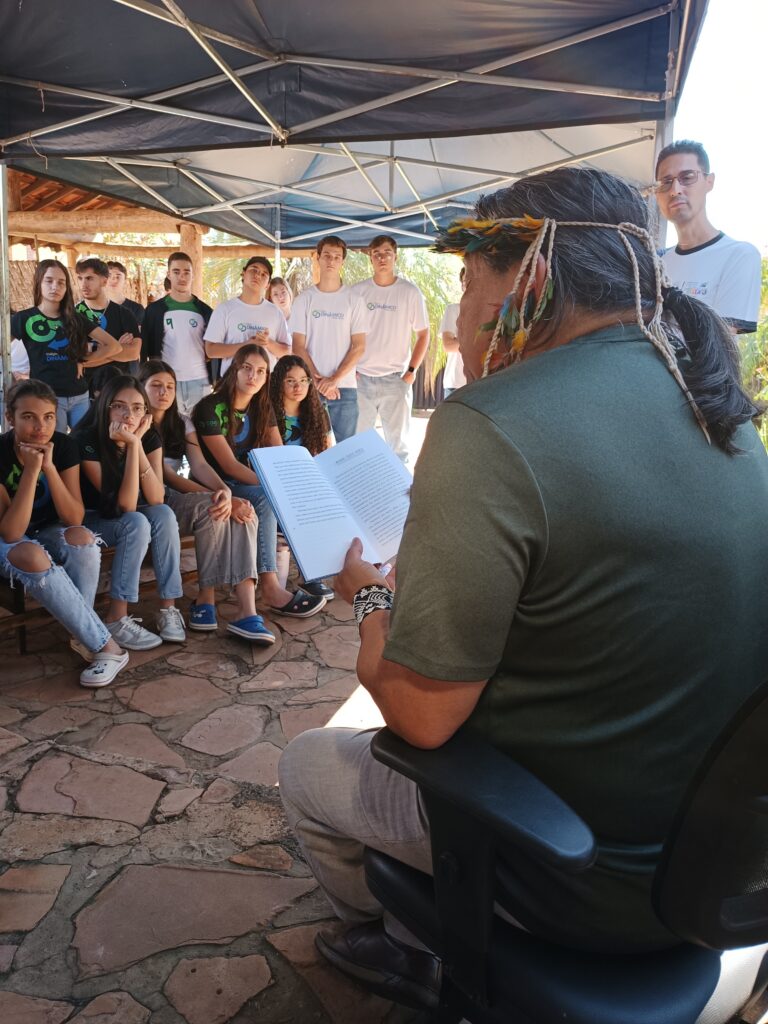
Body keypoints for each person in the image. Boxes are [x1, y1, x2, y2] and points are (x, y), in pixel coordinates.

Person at [278, 166, 768, 1010]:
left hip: (576, 874)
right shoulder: (720, 407)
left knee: (307, 764)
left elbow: (423, 717)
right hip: (721, 868)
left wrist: (365, 597)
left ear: (527, 279)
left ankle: (410, 946)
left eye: (468, 280)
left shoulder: (491, 421)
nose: (460, 309)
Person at [0, 380, 129, 687]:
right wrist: (31, 471)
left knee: (82, 537)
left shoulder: (64, 445)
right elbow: (11, 532)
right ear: (10, 417)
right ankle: (106, 646)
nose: (40, 426)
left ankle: (82, 635)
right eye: (28, 417)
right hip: (10, 538)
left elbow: (74, 516)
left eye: (48, 416)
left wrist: (49, 468)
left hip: (47, 529)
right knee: (30, 553)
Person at [138, 360, 269, 642]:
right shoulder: (138, 422)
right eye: (156, 386)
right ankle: (205, 598)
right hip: (150, 498)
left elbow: (198, 465)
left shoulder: (181, 421)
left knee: (244, 511)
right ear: (141, 388)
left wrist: (225, 491)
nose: (164, 392)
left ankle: (247, 610)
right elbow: (167, 477)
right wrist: (216, 497)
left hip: (175, 497)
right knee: (214, 509)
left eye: (170, 387)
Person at [192, 344, 326, 621]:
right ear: (235, 370)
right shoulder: (210, 407)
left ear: (267, 377)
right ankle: (270, 587)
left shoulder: (262, 407)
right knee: (267, 497)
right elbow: (228, 466)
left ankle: (313, 573)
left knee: (297, 496)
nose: (253, 376)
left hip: (251, 483)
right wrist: (273, 485)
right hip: (216, 485)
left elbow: (279, 454)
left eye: (261, 371)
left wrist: (291, 482)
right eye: (247, 368)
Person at [73, 374, 186, 650]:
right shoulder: (85, 439)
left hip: (124, 517)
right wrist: (132, 445)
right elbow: (125, 506)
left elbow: (157, 497)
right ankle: (116, 617)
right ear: (105, 406)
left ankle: (167, 608)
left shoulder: (149, 437)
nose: (128, 414)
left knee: (164, 515)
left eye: (137, 408)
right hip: (91, 519)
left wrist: (136, 444)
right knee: (136, 521)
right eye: (119, 406)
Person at [655, 140, 762, 333]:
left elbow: (721, 343)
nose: (675, 190)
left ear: (709, 181)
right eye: (666, 182)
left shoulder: (739, 255)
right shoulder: (656, 262)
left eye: (687, 177)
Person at [12, 260, 122, 432]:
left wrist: (84, 361)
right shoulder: (24, 318)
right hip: (47, 398)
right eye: (49, 281)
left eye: (61, 282)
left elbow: (114, 346)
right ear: (39, 282)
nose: (55, 287)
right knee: (58, 448)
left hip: (80, 395)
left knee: (85, 446)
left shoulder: (75, 318)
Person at [351, 236, 429, 462]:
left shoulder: (410, 292)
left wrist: (411, 371)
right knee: (357, 448)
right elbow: (347, 333)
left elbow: (424, 334)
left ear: (395, 257)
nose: (382, 258)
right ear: (371, 259)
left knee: (398, 450)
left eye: (386, 253)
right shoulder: (357, 292)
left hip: (396, 380)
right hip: (361, 380)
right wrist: (350, 369)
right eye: (376, 253)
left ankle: (399, 497)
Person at [269, 354, 335, 602]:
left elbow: (326, 451)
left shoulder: (318, 410)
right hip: (282, 476)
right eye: (290, 381)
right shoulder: (270, 411)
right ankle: (302, 577)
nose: (298, 387)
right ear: (279, 383)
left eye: (304, 380)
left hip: (310, 476)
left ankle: (314, 574)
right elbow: (278, 455)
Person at [291, 236, 367, 442]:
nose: (331, 261)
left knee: (347, 451)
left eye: (336, 257)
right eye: (326, 256)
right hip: (310, 387)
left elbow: (359, 346)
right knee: (309, 449)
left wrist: (334, 380)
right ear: (318, 258)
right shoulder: (304, 299)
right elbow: (298, 346)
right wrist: (318, 381)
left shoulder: (355, 300)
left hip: (345, 389)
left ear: (342, 261)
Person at [141, 252, 214, 417]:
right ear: (168, 274)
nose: (182, 276)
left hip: (200, 381)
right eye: (176, 272)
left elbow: (213, 347)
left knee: (201, 431)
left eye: (186, 272)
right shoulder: (154, 310)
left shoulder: (205, 311)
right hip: (167, 383)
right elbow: (145, 348)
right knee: (170, 430)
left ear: (193, 275)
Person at [204, 256, 291, 376]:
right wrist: (245, 345)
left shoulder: (275, 312)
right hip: (232, 384)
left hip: (266, 386)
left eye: (264, 274)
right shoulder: (225, 309)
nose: (258, 275)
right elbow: (211, 350)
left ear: (267, 285)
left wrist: (268, 342)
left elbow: (287, 352)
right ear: (243, 274)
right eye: (254, 270)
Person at [75, 257, 142, 378]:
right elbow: (75, 359)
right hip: (85, 388)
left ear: (104, 281)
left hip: (118, 385)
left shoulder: (124, 313)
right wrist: (116, 347)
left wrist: (94, 352)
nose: (83, 284)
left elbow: (133, 353)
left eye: (89, 278)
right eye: (80, 278)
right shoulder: (73, 314)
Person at [439, 266, 466, 398]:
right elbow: (448, 345)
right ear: (462, 285)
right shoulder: (453, 309)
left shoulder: (491, 312)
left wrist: (461, 342)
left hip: (481, 383)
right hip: (455, 384)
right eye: (465, 280)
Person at [106, 260, 146, 328]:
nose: (113, 279)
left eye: (118, 276)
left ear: (125, 281)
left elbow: (140, 335)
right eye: (109, 276)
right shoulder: (93, 309)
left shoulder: (137, 309)